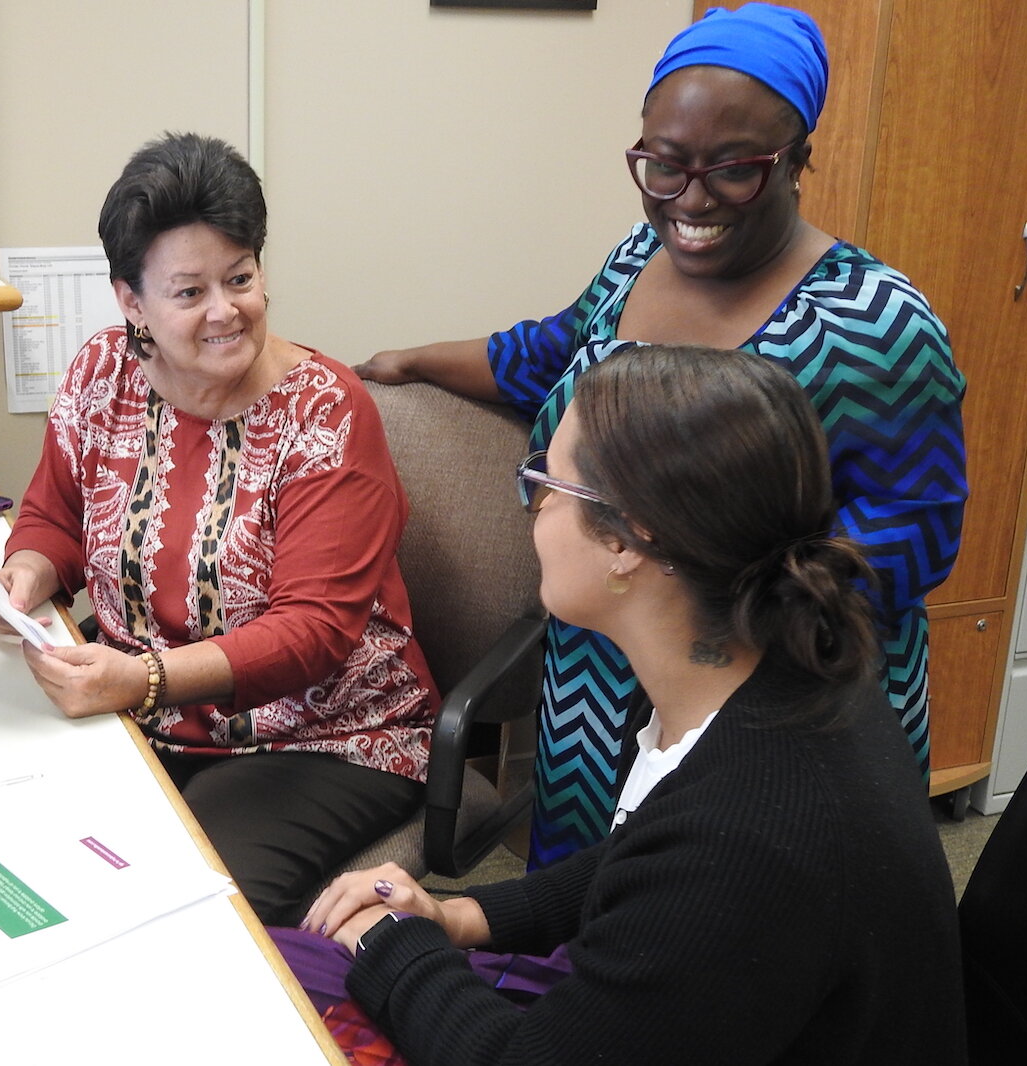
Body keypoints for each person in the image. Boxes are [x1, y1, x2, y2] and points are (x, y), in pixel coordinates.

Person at [358, 2, 968, 869]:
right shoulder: (634, 262)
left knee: (722, 932)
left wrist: (718, 622)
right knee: (584, 917)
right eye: (663, 165)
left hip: (769, 697)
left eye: (732, 170)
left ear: (799, 157)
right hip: (598, 680)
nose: (689, 200)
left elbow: (919, 527)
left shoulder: (874, 323)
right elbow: (548, 352)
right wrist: (412, 359)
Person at [275, 343, 968, 1066]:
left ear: (633, 539)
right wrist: (463, 914)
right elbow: (646, 849)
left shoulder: (751, 833)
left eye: (546, 482)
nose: (534, 506)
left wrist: (393, 944)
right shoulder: (775, 669)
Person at [0, 132, 439, 925]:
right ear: (133, 303)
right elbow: (54, 514)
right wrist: (26, 572)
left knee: (190, 916)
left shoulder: (325, 414)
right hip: (141, 716)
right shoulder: (102, 373)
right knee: (25, 859)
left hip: (323, 735)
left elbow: (313, 633)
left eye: (241, 278)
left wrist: (143, 679)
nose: (226, 312)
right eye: (190, 293)